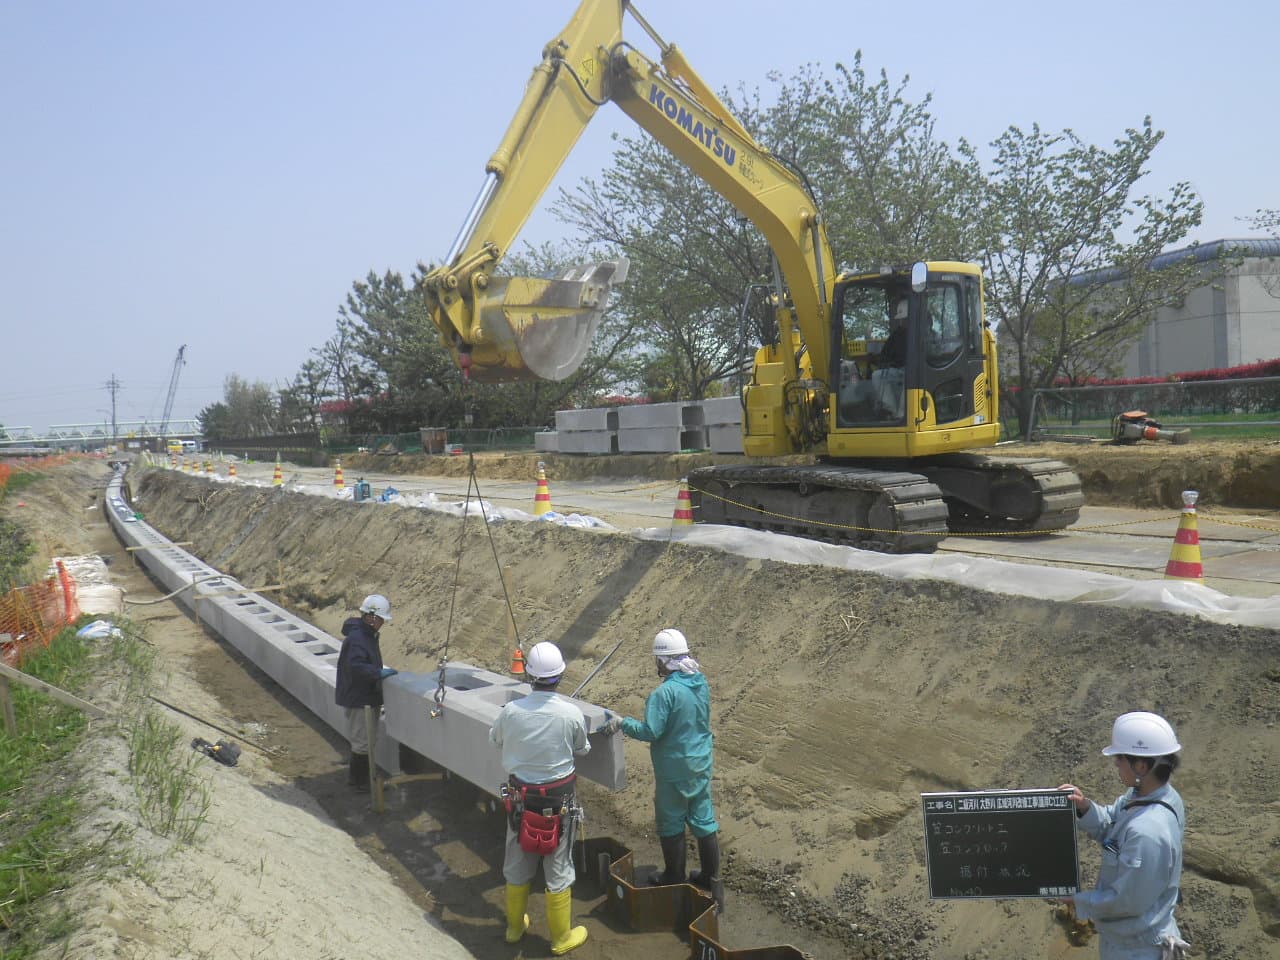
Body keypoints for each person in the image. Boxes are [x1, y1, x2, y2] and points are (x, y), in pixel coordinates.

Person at [602, 628, 723, 913]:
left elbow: (652, 731)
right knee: (704, 820)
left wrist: (622, 723)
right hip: (701, 762)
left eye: (658, 659)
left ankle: (674, 875)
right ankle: (710, 879)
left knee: (671, 821)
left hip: (674, 767)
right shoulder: (700, 682)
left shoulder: (664, 693)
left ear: (664, 660)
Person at [1059, 711, 1189, 960]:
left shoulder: (1148, 831)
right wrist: (1084, 807)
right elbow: (1113, 826)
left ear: (1141, 765)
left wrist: (1077, 900)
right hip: (1125, 943)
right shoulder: (1149, 797)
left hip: (1139, 950)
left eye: (1120, 758)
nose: (1116, 764)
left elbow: (1126, 902)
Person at [490, 641, 590, 955]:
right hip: (559, 802)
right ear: (559, 676)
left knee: (517, 859)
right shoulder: (570, 714)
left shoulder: (510, 712)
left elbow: (495, 740)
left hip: (520, 799)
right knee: (558, 863)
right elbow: (582, 748)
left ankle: (514, 927)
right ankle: (561, 937)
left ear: (529, 677)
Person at [334, 594, 397, 792]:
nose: (382, 624)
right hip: (360, 698)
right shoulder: (358, 638)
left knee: (367, 739)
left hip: (367, 696)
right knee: (362, 742)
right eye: (380, 620)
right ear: (370, 617)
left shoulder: (367, 635)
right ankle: (359, 783)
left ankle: (366, 779)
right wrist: (377, 673)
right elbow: (356, 666)